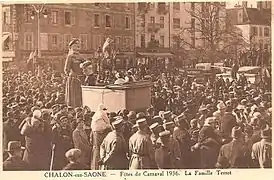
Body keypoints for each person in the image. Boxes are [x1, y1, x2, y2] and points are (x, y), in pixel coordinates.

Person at [64, 38, 85, 108]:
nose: (77, 45)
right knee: (74, 95)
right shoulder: (70, 56)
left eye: (78, 44)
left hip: (81, 78)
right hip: (74, 79)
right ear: (71, 46)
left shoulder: (81, 56)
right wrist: (70, 75)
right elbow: (66, 69)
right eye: (75, 44)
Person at [91, 104, 111, 170]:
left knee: (96, 149)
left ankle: (95, 166)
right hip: (101, 132)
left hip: (95, 133)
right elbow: (108, 122)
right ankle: (100, 166)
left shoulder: (95, 115)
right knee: (101, 149)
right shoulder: (102, 113)